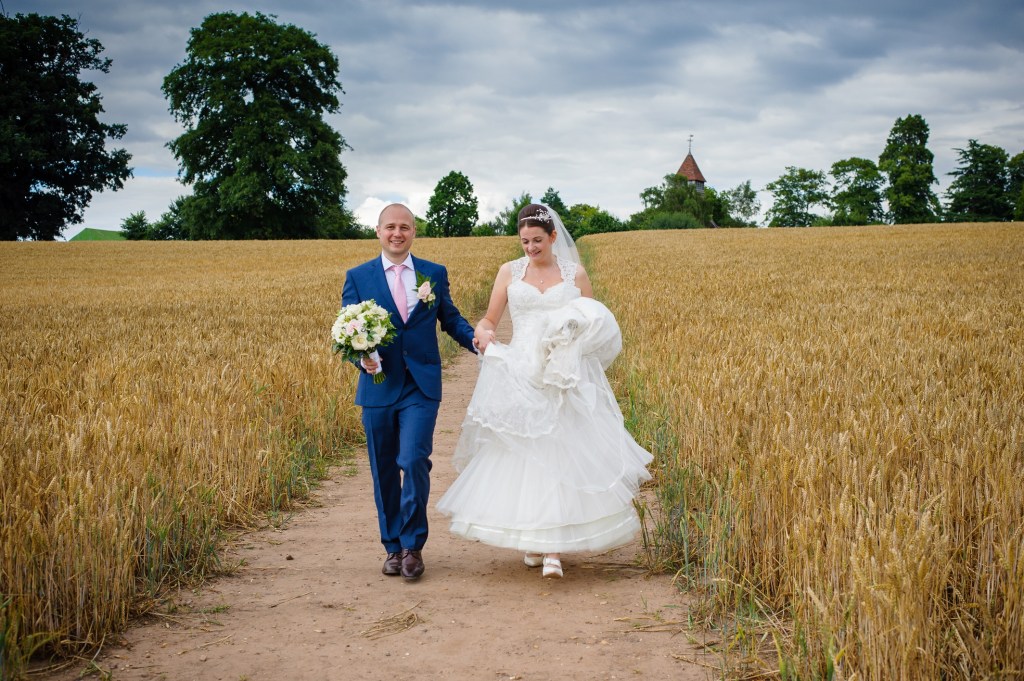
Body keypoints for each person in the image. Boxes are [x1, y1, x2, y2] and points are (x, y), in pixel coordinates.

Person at [436, 204, 653, 578]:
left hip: (561, 372)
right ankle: (534, 540)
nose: (531, 248)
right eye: (524, 241)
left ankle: (553, 548)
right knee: (526, 453)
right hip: (520, 369)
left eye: (538, 240)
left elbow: (592, 321)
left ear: (554, 238)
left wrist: (572, 346)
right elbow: (490, 318)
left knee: (559, 450)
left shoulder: (575, 275)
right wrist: (484, 333)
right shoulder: (509, 272)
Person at [342, 203, 477, 581]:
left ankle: (412, 546)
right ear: (378, 231)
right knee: (383, 468)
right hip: (379, 386)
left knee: (414, 460)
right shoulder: (358, 277)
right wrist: (362, 361)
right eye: (390, 227)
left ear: (413, 231)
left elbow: (450, 318)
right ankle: (391, 547)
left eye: (404, 227)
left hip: (421, 384)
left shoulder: (433, 273)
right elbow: (347, 329)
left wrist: (477, 343)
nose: (397, 233)